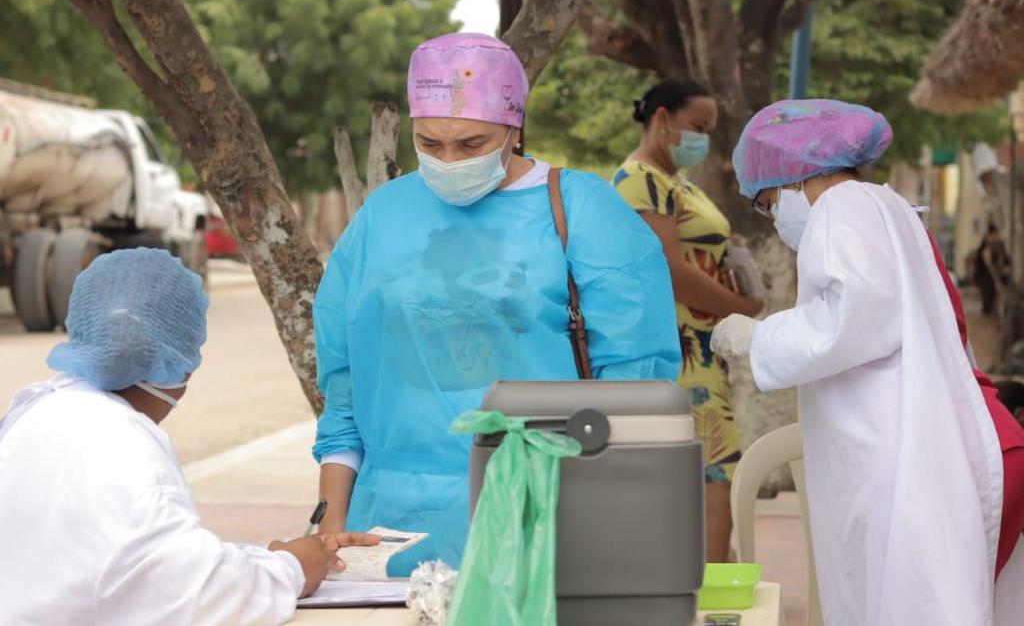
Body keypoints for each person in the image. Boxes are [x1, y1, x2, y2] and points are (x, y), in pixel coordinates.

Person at [313, 32, 681, 575]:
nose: (448, 161)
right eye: (429, 144)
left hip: (545, 513)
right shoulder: (383, 215)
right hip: (390, 529)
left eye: (471, 144)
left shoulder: (583, 211)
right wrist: (330, 523)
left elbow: (636, 385)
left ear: (515, 128)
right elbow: (345, 383)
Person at [711, 99, 1024, 625]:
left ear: (795, 177)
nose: (775, 217)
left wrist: (757, 338)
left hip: (925, 459)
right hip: (962, 443)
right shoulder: (887, 206)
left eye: (768, 203)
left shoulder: (841, 207)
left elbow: (856, 317)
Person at [0, 249, 380, 625]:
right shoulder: (124, 448)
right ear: (180, 362)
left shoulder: (37, 411)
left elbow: (125, 558)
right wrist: (293, 568)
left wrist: (262, 559)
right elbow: (199, 596)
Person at [612, 79, 764, 562]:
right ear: (661, 119)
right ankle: (707, 593)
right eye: (697, 126)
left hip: (701, 351)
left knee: (709, 482)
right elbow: (669, 271)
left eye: (709, 131)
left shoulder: (678, 182)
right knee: (714, 484)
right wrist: (741, 307)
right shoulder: (639, 180)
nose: (703, 139)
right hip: (677, 353)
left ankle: (700, 584)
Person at [974, 223, 1010, 317]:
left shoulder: (995, 248)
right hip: (985, 278)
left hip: (988, 278)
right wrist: (997, 282)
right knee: (988, 301)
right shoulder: (986, 250)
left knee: (991, 301)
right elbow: (991, 268)